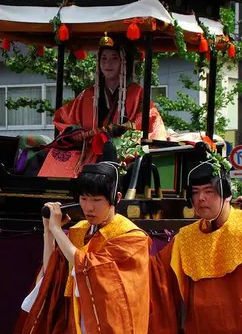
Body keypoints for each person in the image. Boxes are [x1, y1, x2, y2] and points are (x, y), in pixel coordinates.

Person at [20, 161, 151, 334]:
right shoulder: (79, 230)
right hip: (73, 317)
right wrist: (48, 233)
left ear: (116, 198)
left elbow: (86, 266)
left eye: (97, 200)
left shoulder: (132, 237)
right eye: (83, 199)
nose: (89, 208)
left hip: (107, 322)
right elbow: (52, 271)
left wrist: (57, 229)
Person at [38, 33, 166, 177]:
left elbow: (148, 122)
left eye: (114, 58)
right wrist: (76, 133)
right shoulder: (88, 94)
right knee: (49, 156)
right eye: (103, 59)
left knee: (113, 155)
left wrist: (121, 131)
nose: (107, 64)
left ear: (124, 62)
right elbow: (63, 117)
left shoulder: (137, 94)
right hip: (87, 149)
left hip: (121, 149)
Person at [148, 143, 242, 333]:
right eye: (195, 192)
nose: (200, 198)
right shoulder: (186, 237)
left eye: (209, 191)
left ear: (227, 195)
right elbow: (156, 274)